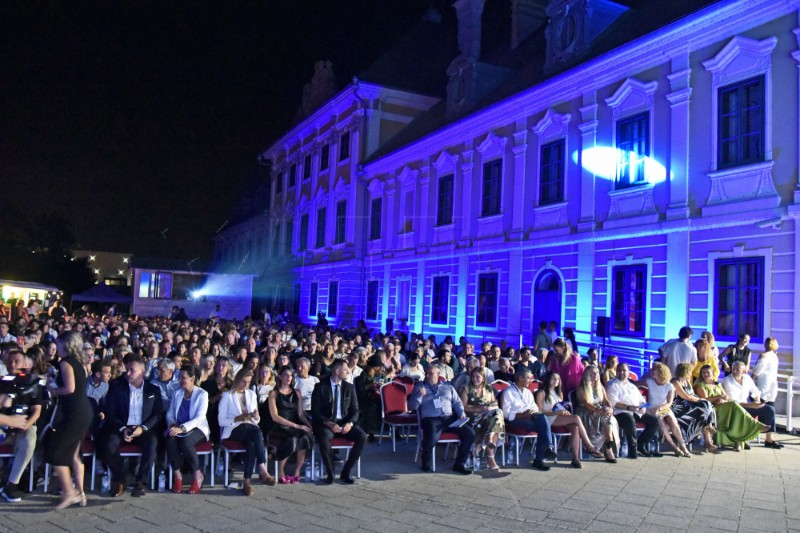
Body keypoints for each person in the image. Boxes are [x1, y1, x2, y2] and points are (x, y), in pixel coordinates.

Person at [102, 354, 164, 497]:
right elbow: (110, 412)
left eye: (132, 370)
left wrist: (143, 428)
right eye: (127, 369)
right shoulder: (117, 387)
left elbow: (157, 414)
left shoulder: (153, 390)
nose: (128, 373)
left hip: (143, 428)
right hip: (122, 426)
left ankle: (140, 482)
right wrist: (123, 428)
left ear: (142, 372)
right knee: (110, 444)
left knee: (152, 444)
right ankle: (119, 480)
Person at [218, 369, 277, 495]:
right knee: (256, 433)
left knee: (252, 442)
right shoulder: (227, 395)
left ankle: (247, 481)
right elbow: (221, 421)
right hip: (234, 428)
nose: (246, 385)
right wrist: (239, 418)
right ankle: (263, 469)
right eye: (243, 381)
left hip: (250, 428)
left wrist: (255, 416)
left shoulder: (251, 394)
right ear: (237, 380)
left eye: (248, 382)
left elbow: (257, 419)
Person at [408, 365, 474, 474]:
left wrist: (461, 413)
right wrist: (419, 396)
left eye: (431, 373)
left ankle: (460, 464)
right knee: (432, 435)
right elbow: (411, 406)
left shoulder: (448, 386)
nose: (427, 375)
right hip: (431, 419)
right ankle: (426, 462)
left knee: (469, 433)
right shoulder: (420, 386)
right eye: (427, 373)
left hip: (449, 418)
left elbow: (457, 402)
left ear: (438, 374)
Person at [311, 359, 366, 484]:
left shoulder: (349, 387)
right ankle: (330, 473)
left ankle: (346, 472)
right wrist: (328, 423)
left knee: (362, 437)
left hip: (344, 423)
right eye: (346, 370)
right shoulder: (320, 387)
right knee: (324, 437)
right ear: (337, 371)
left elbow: (355, 411)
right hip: (327, 423)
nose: (348, 372)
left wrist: (350, 423)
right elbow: (315, 412)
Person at [534, 371, 604, 468]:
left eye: (558, 379)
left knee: (575, 427)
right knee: (576, 418)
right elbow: (540, 411)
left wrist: (563, 410)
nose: (556, 381)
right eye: (553, 379)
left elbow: (559, 407)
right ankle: (589, 446)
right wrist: (556, 412)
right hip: (547, 418)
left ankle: (575, 459)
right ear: (548, 379)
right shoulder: (542, 393)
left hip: (559, 416)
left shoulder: (559, 393)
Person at [0, 353, 42, 503]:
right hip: (3, 425)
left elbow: (37, 410)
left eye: (16, 361)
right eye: (10, 360)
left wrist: (25, 425)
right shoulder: (2, 381)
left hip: (24, 424)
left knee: (29, 441)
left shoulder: (33, 383)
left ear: (25, 363)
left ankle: (11, 486)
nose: (12, 363)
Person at [694, 365, 765, 451]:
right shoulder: (700, 385)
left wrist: (723, 400)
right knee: (734, 405)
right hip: (712, 409)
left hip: (723, 406)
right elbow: (705, 400)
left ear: (713, 374)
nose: (706, 374)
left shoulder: (717, 384)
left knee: (735, 413)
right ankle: (753, 426)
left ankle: (738, 442)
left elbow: (726, 397)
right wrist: (718, 397)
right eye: (703, 373)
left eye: (708, 372)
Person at [165, 364, 210, 494]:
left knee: (186, 442)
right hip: (178, 427)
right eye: (179, 377)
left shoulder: (202, 394)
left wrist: (183, 428)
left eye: (183, 378)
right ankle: (178, 476)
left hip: (197, 428)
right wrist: (173, 424)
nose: (180, 380)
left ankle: (197, 476)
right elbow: (170, 414)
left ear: (192, 378)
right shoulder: (177, 393)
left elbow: (200, 418)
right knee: (170, 439)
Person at [500, 368, 555, 471]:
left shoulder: (528, 392)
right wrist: (522, 415)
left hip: (530, 418)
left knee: (542, 419)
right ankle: (543, 454)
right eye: (529, 378)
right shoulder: (508, 392)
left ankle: (545, 452)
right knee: (543, 426)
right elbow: (506, 414)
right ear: (520, 378)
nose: (531, 381)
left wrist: (531, 413)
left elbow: (535, 408)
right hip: (514, 420)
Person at [268, 365, 313, 484]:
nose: (289, 377)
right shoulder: (273, 393)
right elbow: (275, 417)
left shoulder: (297, 392)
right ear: (280, 376)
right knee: (291, 438)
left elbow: (301, 414)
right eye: (286, 375)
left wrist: (308, 425)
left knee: (305, 437)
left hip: (295, 424)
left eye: (291, 375)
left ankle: (297, 472)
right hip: (280, 426)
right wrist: (296, 426)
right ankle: (280, 471)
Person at [722, 361, 782, 449]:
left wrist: (757, 400)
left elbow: (756, 391)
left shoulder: (746, 378)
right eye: (733, 369)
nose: (734, 371)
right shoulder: (727, 380)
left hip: (747, 405)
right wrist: (752, 405)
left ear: (743, 371)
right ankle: (743, 438)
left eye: (737, 370)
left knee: (770, 410)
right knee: (740, 410)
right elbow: (733, 401)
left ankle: (769, 439)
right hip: (735, 407)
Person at [606, 363, 660, 459]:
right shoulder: (612, 384)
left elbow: (642, 400)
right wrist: (628, 407)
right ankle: (632, 450)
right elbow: (613, 402)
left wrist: (643, 407)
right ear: (616, 372)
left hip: (636, 412)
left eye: (624, 370)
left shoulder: (632, 386)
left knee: (654, 421)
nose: (621, 372)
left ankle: (641, 445)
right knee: (629, 420)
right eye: (619, 370)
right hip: (619, 413)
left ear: (628, 373)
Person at [458, 366, 505, 471]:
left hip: (487, 417)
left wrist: (490, 406)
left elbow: (494, 403)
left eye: (478, 377)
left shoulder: (488, 388)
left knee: (498, 413)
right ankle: (490, 457)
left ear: (483, 378)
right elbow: (463, 408)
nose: (475, 379)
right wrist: (479, 409)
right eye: (473, 376)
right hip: (472, 418)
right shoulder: (466, 389)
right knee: (497, 419)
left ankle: (489, 439)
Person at [574, 365, 620, 463]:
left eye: (597, 373)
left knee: (609, 416)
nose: (595, 375)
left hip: (598, 411)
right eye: (592, 373)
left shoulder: (600, 386)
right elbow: (586, 403)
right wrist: (598, 410)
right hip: (585, 411)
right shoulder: (582, 387)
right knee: (605, 416)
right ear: (587, 375)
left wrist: (610, 409)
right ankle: (609, 447)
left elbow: (606, 401)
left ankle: (608, 447)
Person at [671, 363, 718, 453]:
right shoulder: (675, 382)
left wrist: (701, 400)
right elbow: (686, 397)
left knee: (708, 406)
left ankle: (709, 426)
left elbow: (693, 395)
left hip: (688, 406)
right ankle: (709, 427)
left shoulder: (687, 382)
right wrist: (701, 400)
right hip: (679, 409)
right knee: (706, 404)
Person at [646, 362, 691, 457]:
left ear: (662, 372)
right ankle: (674, 446)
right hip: (652, 409)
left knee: (672, 421)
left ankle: (682, 445)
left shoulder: (669, 386)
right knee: (660, 422)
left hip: (664, 408)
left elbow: (669, 403)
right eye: (653, 369)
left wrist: (660, 408)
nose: (653, 371)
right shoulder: (649, 381)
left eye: (655, 370)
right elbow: (635, 384)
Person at [354, 355, 383, 441]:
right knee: (372, 407)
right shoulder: (364, 375)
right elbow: (361, 389)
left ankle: (377, 428)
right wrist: (372, 385)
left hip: (371, 397)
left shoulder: (373, 375)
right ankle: (370, 431)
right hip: (363, 399)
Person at [752, 337, 779, 406]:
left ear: (766, 344)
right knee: (770, 402)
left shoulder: (764, 356)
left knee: (761, 403)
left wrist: (751, 379)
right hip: (772, 381)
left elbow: (757, 370)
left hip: (763, 382)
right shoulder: (775, 356)